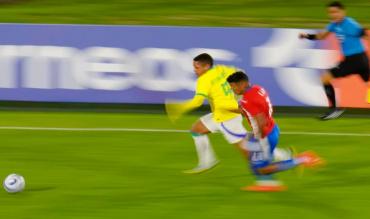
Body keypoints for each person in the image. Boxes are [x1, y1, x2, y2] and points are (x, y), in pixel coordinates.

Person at [165, 53, 291, 174]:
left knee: (249, 153)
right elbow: (240, 75)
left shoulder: (203, 80)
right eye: (194, 67)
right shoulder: (222, 69)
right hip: (221, 114)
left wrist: (178, 108)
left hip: (226, 119)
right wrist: (236, 98)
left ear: (206, 66)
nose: (194, 70)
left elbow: (197, 102)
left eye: (197, 67)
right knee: (196, 130)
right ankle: (207, 161)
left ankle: (282, 156)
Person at [227, 71, 324, 192]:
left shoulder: (248, 99)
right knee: (248, 150)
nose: (233, 89)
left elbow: (260, 121)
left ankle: (302, 159)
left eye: (234, 86)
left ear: (242, 84)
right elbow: (249, 110)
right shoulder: (257, 89)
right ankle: (276, 169)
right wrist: (228, 110)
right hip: (272, 129)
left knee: (261, 168)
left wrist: (259, 141)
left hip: (265, 135)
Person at [299, 1, 369, 120]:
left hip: (356, 59)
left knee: (325, 78)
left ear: (343, 12)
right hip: (359, 60)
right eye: (330, 12)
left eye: (336, 12)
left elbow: (364, 34)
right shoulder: (334, 25)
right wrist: (306, 35)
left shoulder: (350, 24)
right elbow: (322, 36)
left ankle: (334, 110)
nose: (333, 14)